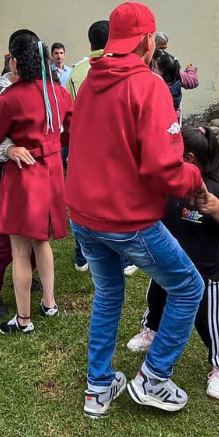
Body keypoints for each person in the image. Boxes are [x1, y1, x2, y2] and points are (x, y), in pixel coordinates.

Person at [68, 1, 207, 417]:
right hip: (125, 219)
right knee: (189, 287)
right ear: (148, 41)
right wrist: (195, 181)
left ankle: (98, 388)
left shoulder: (90, 80)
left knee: (108, 293)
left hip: (83, 216)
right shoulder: (150, 86)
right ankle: (153, 378)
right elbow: (162, 167)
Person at [126, 126, 219, 400]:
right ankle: (152, 330)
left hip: (207, 271)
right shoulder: (172, 184)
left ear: (189, 159)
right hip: (169, 264)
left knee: (210, 320)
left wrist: (215, 207)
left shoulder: (217, 190)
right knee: (156, 298)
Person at [0, 35, 74, 334]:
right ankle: (49, 303)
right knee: (42, 242)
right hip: (52, 173)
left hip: (25, 175)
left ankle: (23, 320)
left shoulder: (10, 97)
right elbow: (71, 132)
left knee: (20, 251)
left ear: (16, 60)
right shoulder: (59, 93)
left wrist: (9, 149)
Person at [0, 30, 42, 320]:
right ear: (14, 61)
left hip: (28, 173)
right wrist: (11, 148)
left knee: (30, 232)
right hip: (3, 172)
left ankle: (25, 275)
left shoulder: (39, 89)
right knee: (5, 238)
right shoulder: (1, 91)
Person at [65, 20, 136, 276]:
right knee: (115, 203)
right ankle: (125, 259)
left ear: (89, 43)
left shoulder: (76, 72)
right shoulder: (122, 70)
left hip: (81, 147)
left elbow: (67, 108)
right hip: (112, 149)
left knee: (84, 203)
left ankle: (82, 257)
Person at [151, 50, 183, 119]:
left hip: (165, 115)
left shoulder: (161, 88)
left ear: (161, 72)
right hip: (175, 113)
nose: (152, 69)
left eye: (155, 67)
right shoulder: (177, 78)